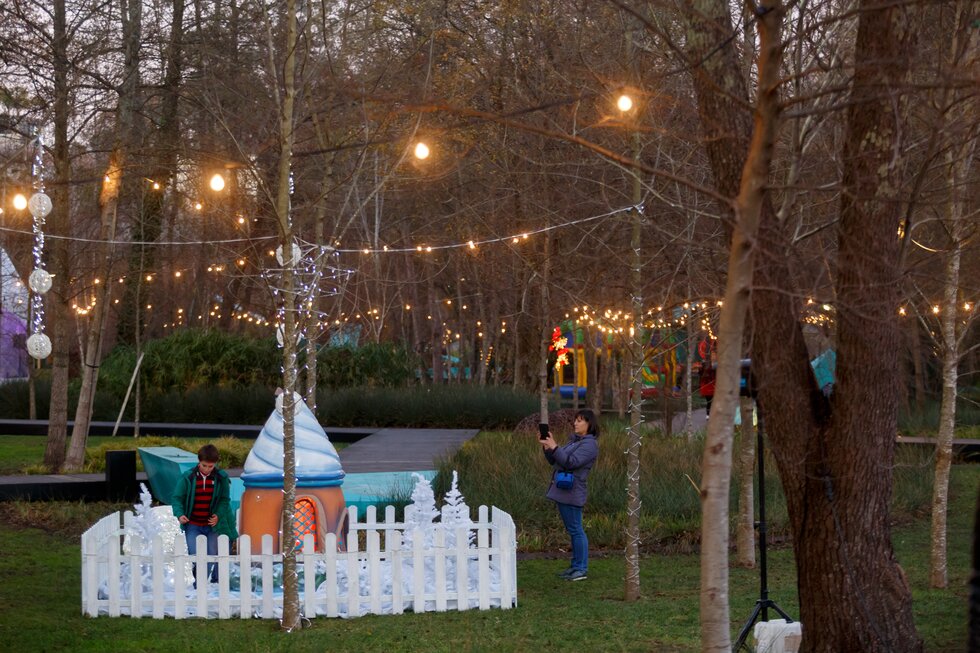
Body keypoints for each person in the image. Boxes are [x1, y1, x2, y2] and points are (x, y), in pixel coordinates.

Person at [540, 408, 599, 582]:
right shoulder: (574, 442)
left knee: (576, 530)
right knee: (573, 530)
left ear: (589, 424)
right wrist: (548, 448)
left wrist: (555, 446)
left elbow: (571, 462)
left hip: (573, 492)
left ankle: (581, 568)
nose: (575, 423)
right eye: (575, 420)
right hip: (564, 491)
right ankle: (575, 566)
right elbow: (556, 461)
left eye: (580, 420)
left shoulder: (589, 445)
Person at [172, 444, 238, 585]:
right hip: (193, 524)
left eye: (210, 466)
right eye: (204, 465)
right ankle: (198, 583)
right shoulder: (188, 477)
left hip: (211, 525)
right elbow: (177, 498)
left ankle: (201, 586)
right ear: (199, 461)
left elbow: (224, 500)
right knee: (195, 556)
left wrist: (218, 515)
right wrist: (179, 514)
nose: (207, 469)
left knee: (211, 556)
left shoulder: (221, 478)